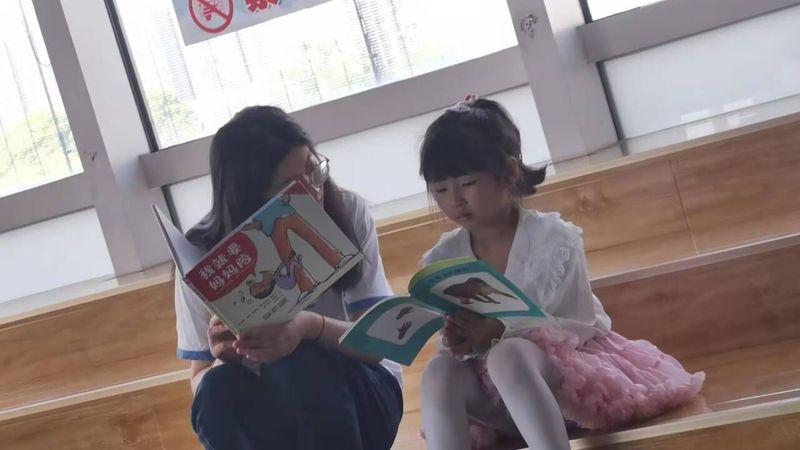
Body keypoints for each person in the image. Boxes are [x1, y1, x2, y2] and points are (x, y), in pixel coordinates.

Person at [418, 96, 705, 450]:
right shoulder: (443, 258)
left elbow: (579, 324)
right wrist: (457, 336)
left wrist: (498, 331)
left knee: (509, 354)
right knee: (439, 371)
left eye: (467, 183)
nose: (454, 200)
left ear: (509, 172)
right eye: (441, 189)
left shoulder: (554, 239)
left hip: (568, 390)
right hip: (497, 405)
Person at [175, 106, 403, 450]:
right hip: (272, 410)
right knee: (216, 388)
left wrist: (310, 327)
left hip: (364, 392)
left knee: (299, 357)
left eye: (314, 170)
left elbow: (380, 345)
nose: (314, 190)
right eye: (291, 187)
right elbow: (200, 380)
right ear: (250, 197)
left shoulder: (347, 212)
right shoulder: (203, 254)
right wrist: (228, 355)